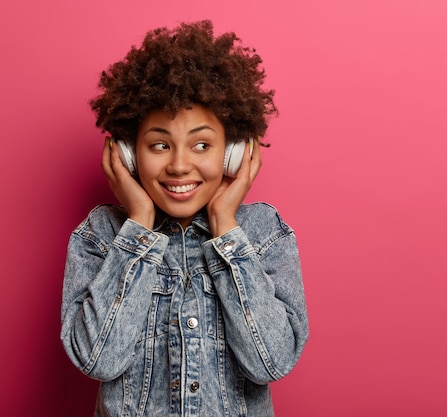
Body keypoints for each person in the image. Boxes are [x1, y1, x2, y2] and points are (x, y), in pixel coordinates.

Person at [61, 20, 308, 417]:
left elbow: (271, 363)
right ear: (127, 153)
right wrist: (139, 225)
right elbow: (97, 359)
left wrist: (225, 226)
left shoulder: (263, 234)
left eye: (202, 145)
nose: (179, 165)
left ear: (234, 152)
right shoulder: (101, 235)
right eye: (160, 144)